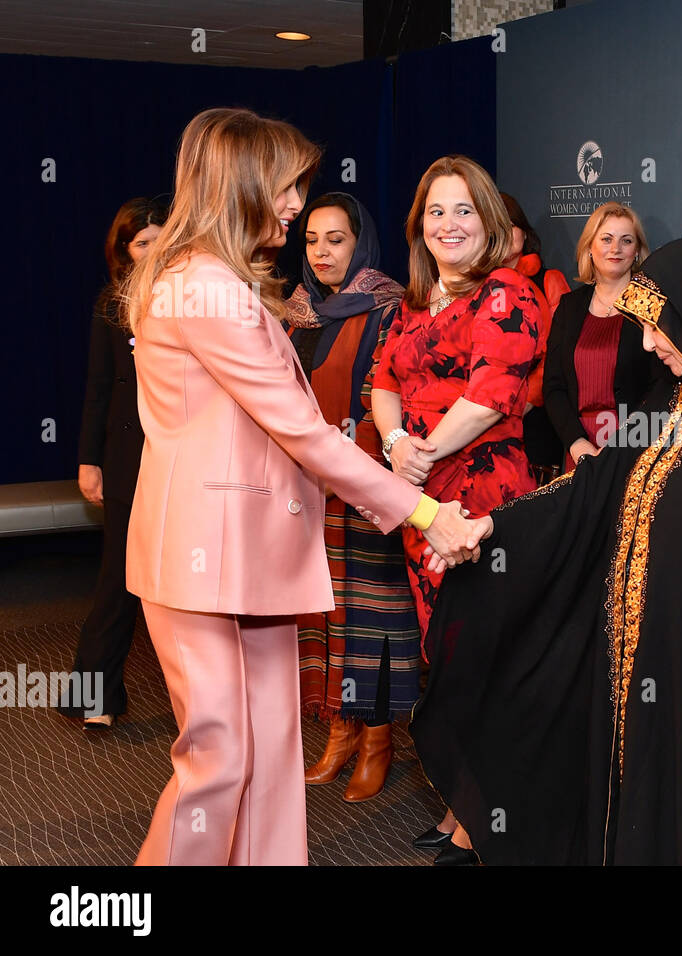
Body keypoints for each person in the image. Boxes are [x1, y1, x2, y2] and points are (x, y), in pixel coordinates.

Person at [410, 233, 682, 865]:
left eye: (657, 326)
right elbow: (597, 483)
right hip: (644, 668)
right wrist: (492, 529)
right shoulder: (679, 394)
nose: (647, 344)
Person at [123, 107, 484, 866]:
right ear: (243, 184)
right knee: (218, 760)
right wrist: (423, 510)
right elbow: (305, 430)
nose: (295, 206)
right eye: (288, 189)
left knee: (272, 756)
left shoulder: (219, 281)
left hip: (250, 557)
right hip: (199, 560)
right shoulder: (202, 289)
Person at [369, 155, 542, 851]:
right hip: (417, 503)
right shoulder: (411, 302)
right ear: (419, 226)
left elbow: (490, 396)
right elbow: (381, 382)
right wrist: (392, 443)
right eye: (436, 211)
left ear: (490, 222)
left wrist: (421, 452)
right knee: (444, 658)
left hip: (478, 498)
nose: (449, 224)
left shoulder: (509, 292)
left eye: (464, 210)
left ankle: (485, 820)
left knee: (483, 661)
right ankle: (461, 800)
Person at [285, 192, 417, 803]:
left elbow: (386, 399)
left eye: (335, 239)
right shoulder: (296, 313)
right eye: (312, 239)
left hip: (364, 489)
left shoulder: (388, 307)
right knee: (325, 615)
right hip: (306, 492)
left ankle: (377, 740)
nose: (321, 251)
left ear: (359, 242)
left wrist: (346, 458)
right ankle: (339, 733)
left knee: (373, 622)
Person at [60, 196, 167, 729]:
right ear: (125, 251)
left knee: (178, 585)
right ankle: (93, 696)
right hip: (126, 458)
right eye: (142, 242)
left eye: (160, 238)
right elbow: (97, 390)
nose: (153, 250)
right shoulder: (111, 304)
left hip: (178, 456)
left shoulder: (189, 300)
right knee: (118, 577)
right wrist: (89, 461)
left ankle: (202, 708)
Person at [544, 202, 659, 472]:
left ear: (637, 252)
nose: (615, 249)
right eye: (606, 239)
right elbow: (553, 387)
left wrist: (625, 442)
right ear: (589, 248)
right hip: (578, 452)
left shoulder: (650, 306)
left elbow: (661, 389)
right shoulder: (569, 308)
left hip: (635, 450)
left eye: (626, 241)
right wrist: (576, 443)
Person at [500, 192, 570, 480]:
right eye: (495, 226)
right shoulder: (471, 286)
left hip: (534, 415)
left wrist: (524, 402)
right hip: (482, 416)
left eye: (510, 224)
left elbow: (559, 351)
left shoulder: (549, 280)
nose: (504, 234)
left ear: (524, 232)